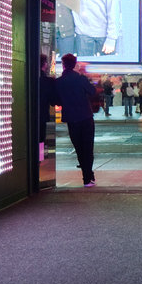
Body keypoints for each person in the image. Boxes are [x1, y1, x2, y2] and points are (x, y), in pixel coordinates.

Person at [53, 54, 99, 187]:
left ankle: (87, 176)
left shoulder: (59, 82)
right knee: (88, 147)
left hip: (71, 118)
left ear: (63, 64)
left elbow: (56, 100)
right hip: (85, 116)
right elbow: (92, 91)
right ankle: (88, 176)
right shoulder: (80, 79)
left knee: (78, 147)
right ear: (75, 64)